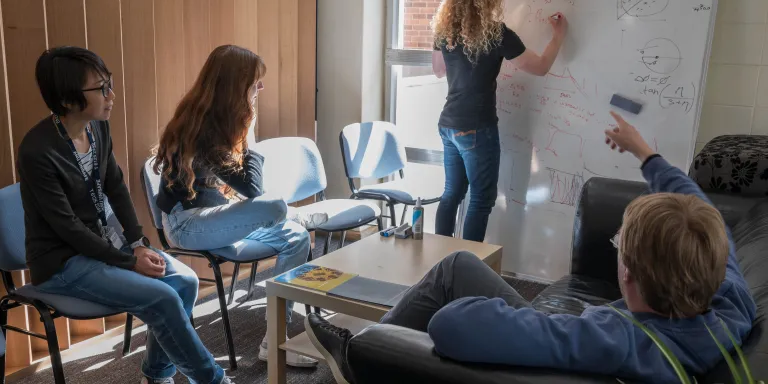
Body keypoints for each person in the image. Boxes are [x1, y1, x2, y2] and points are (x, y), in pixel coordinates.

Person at [303, 112, 757, 383]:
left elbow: (450, 327)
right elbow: (700, 207)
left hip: (549, 340)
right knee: (459, 263)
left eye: (620, 247)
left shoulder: (614, 341)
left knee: (450, 276)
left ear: (628, 274)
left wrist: (523, 320)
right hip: (574, 330)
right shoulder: (729, 298)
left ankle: (364, 355)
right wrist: (645, 154)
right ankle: (370, 345)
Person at [17, 47, 234, 384]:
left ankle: (157, 375)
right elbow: (68, 228)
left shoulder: (96, 128)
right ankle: (213, 380)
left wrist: (138, 243)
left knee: (185, 281)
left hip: (105, 247)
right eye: (101, 88)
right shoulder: (38, 151)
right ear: (69, 99)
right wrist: (128, 259)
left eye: (109, 84)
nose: (111, 95)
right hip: (62, 262)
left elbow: (115, 186)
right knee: (163, 296)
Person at [153, 44, 320, 368]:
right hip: (187, 225)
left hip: (215, 218)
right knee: (273, 205)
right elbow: (253, 188)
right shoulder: (201, 129)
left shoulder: (219, 120)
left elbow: (246, 190)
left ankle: (275, 342)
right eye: (254, 81)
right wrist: (250, 129)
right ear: (235, 85)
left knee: (297, 237)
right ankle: (296, 213)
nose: (260, 88)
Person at [432, 0, 568, 242]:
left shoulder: (445, 29)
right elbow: (541, 67)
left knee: (452, 194)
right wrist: (558, 36)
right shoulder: (496, 34)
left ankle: (439, 264)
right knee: (481, 200)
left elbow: (437, 70)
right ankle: (466, 269)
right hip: (476, 127)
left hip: (448, 124)